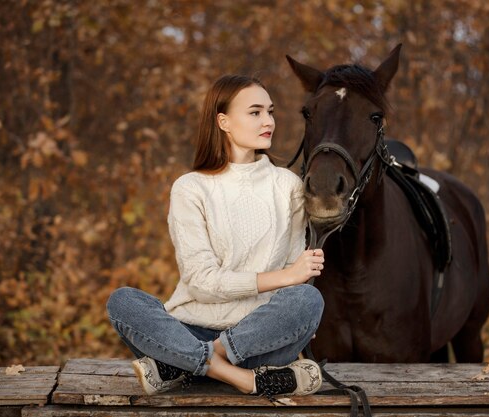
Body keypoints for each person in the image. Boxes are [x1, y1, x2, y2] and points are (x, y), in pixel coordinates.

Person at [106, 74, 325, 401]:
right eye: (255, 112)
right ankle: (242, 379)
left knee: (308, 300)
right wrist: (284, 275)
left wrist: (294, 277)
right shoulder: (191, 187)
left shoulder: (288, 186)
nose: (268, 121)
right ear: (223, 121)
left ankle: (181, 366)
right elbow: (200, 282)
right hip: (187, 329)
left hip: (257, 341)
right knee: (122, 301)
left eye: (270, 111)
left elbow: (292, 289)